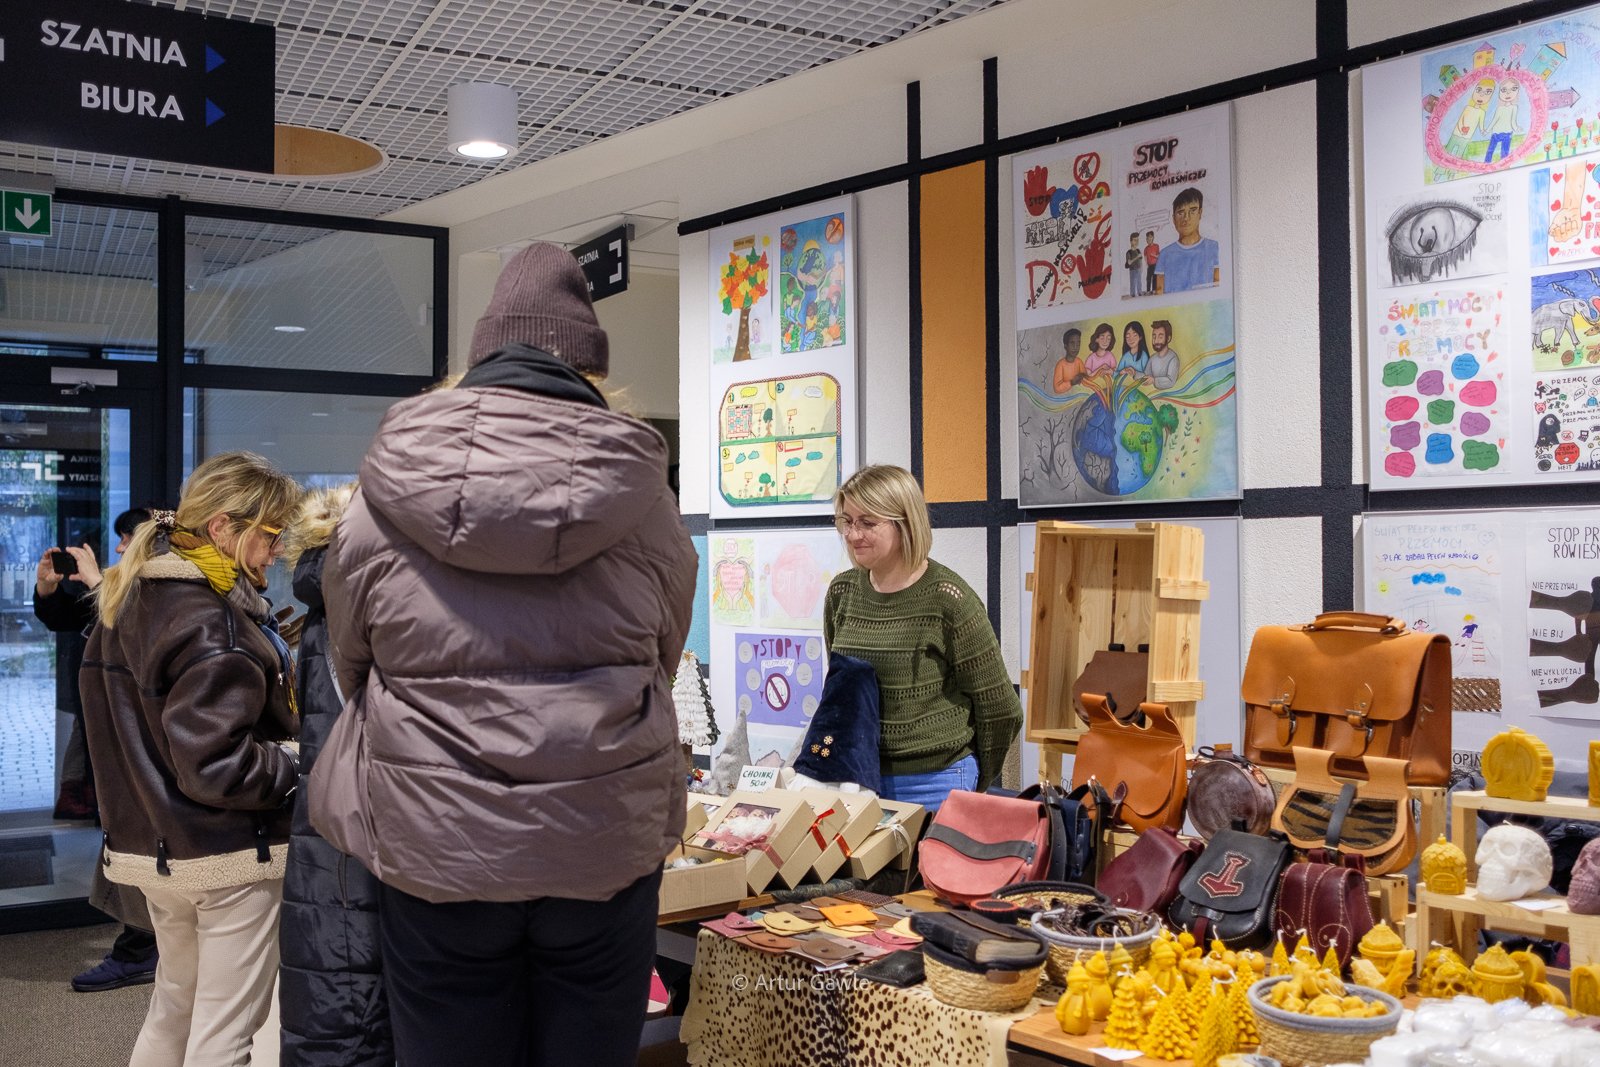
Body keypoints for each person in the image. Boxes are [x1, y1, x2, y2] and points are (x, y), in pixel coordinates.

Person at [311, 243, 697, 1067]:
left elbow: (352, 661)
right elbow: (664, 653)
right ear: (588, 365)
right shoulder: (644, 498)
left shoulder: (384, 493)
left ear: (481, 355)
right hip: (601, 834)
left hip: (436, 837)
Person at [79, 452, 301, 1066]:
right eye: (272, 535)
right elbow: (218, 768)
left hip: (156, 852)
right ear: (224, 527)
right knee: (225, 1033)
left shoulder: (123, 602)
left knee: (174, 1008)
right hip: (228, 855)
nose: (277, 552)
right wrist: (299, 758)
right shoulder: (214, 622)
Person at [823, 465, 1022, 811]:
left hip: (937, 783)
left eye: (867, 522)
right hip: (856, 780)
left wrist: (976, 782)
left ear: (904, 522)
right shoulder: (842, 593)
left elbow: (1001, 709)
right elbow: (843, 688)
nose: (853, 534)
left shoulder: (949, 598)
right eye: (846, 521)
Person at [277, 483, 392, 1067]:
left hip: (331, 837)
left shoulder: (328, 602)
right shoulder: (372, 606)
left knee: (338, 1009)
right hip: (363, 840)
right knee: (355, 1012)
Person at [34, 508, 162, 993]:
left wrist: (97, 583)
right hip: (115, 732)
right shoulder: (123, 585)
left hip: (146, 739)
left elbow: (136, 635)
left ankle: (140, 949)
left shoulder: (163, 590)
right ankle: (143, 944)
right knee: (126, 839)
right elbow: (65, 618)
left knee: (139, 841)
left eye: (126, 539)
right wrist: (48, 588)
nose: (119, 549)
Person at [1153, 187, 1220, 294]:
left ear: (1200, 213)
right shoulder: (1165, 254)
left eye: (1192, 211)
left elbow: (1219, 288)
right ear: (1173, 219)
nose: (1186, 218)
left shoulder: (1214, 248)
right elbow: (1159, 292)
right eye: (1180, 213)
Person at [1482, 79, 1522, 164]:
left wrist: (1516, 128)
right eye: (1503, 90)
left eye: (1513, 89)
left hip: (1507, 133)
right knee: (1491, 150)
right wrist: (1487, 130)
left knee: (1504, 153)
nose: (1507, 93)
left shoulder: (1514, 107)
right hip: (1496, 132)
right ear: (1499, 92)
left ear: (1517, 92)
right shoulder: (1499, 108)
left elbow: (1513, 121)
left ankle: (1503, 164)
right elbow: (1494, 120)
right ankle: (1486, 164)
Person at [1147, 319, 1181, 390]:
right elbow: (1146, 376)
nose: (1156, 341)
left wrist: (1154, 380)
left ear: (1168, 338)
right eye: (1154, 337)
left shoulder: (1173, 358)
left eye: (1160, 337)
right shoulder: (1152, 358)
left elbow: (1171, 381)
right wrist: (1134, 373)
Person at [1052, 327, 1085, 393]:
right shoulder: (1060, 365)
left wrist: (1083, 376)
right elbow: (1057, 389)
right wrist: (1071, 382)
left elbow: (1085, 378)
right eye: (1072, 344)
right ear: (1065, 346)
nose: (1075, 347)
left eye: (1078, 344)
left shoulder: (1079, 362)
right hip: (1066, 397)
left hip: (1079, 394)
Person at [1124, 232, 1143, 298]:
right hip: (1132, 270)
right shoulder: (1128, 252)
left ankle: (1140, 292)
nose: (1136, 242)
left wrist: (1141, 268)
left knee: (1139, 282)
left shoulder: (1138, 250)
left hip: (1138, 269)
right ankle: (1132, 294)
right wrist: (1137, 257)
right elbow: (1129, 262)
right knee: (1133, 282)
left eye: (1137, 240)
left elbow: (1140, 260)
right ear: (1131, 241)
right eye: (1135, 240)